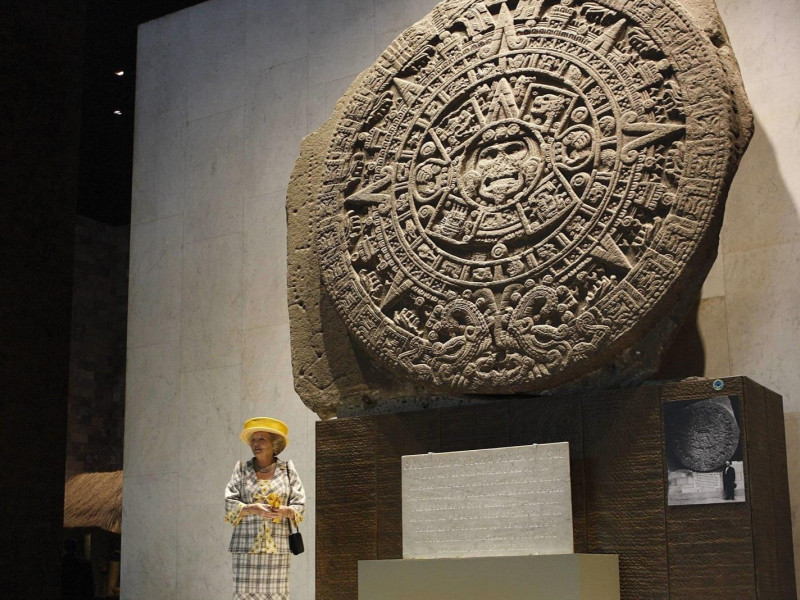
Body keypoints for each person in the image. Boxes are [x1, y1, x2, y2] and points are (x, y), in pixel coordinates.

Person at [225, 417, 305, 600]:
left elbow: (300, 505)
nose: (256, 443)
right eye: (253, 439)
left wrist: (286, 511)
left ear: (273, 443)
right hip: (245, 548)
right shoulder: (241, 469)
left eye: (261, 439)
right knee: (244, 597)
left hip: (277, 549)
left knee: (277, 597)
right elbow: (229, 504)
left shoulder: (287, 470)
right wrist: (252, 508)